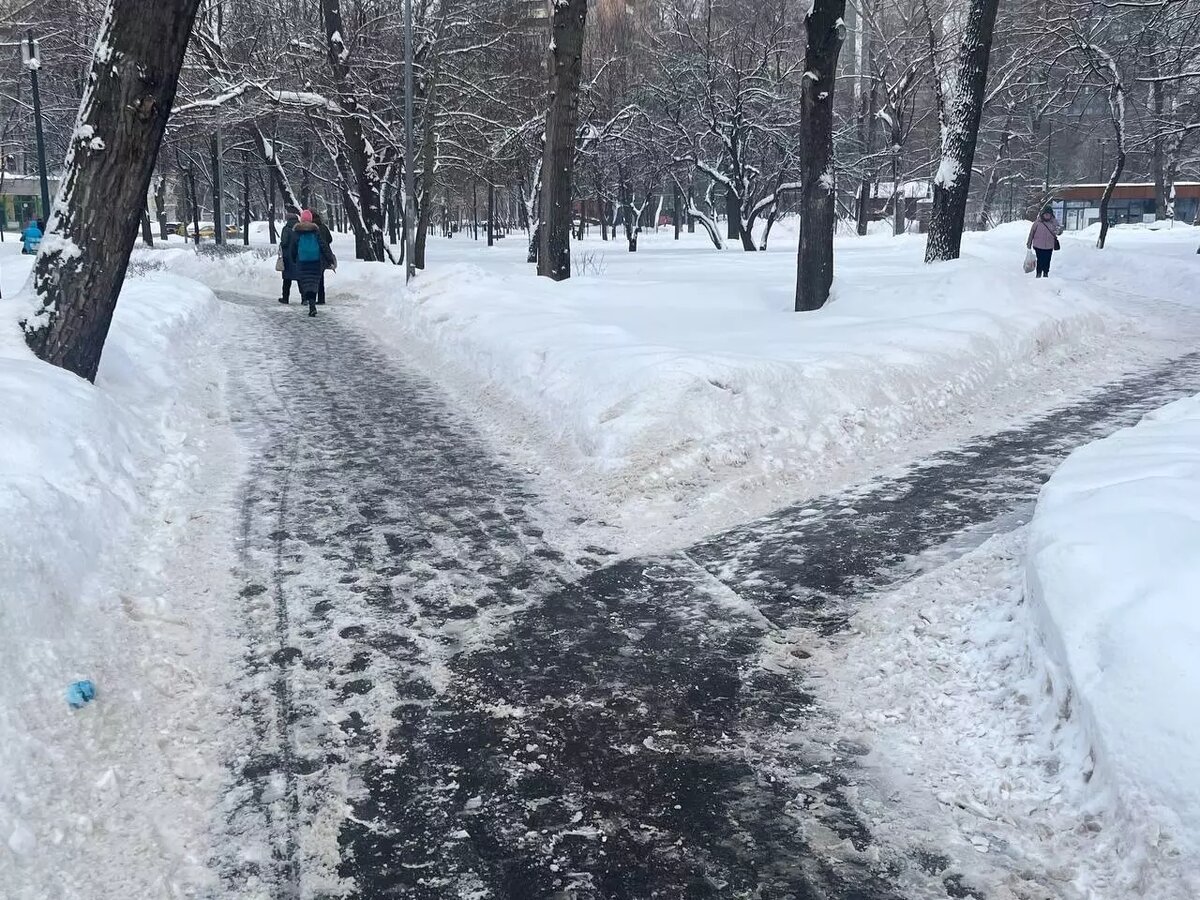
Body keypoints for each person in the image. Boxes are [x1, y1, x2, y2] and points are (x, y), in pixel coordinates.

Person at [287, 209, 336, 317]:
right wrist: (330, 259)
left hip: (303, 262)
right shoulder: (316, 231)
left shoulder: (297, 232)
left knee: (306, 284)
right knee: (314, 284)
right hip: (316, 262)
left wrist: (294, 259)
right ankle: (313, 305)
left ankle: (311, 305)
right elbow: (324, 246)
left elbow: (293, 248)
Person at [1027, 207, 1061, 279]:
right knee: (1040, 260)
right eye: (1046, 214)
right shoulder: (1037, 222)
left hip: (1049, 245)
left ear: (1051, 215)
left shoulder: (1054, 222)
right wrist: (1029, 243)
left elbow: (1059, 231)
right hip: (1038, 245)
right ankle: (1038, 273)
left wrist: (1059, 231)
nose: (1047, 216)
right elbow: (1031, 233)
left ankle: (1046, 273)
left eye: (1049, 214)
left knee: (1047, 260)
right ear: (1043, 214)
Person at [311, 210, 334, 305]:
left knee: (313, 278)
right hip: (324, 256)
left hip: (314, 256)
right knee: (321, 278)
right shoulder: (324, 227)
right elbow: (330, 239)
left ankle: (311, 298)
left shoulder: (312, 229)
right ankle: (321, 298)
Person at [278, 211, 300, 304]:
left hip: (288, 256)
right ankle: (304, 298)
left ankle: (285, 298)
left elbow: (284, 242)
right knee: (300, 278)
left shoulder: (286, 229)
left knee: (287, 279)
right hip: (298, 256)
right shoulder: (300, 228)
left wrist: (281, 245)